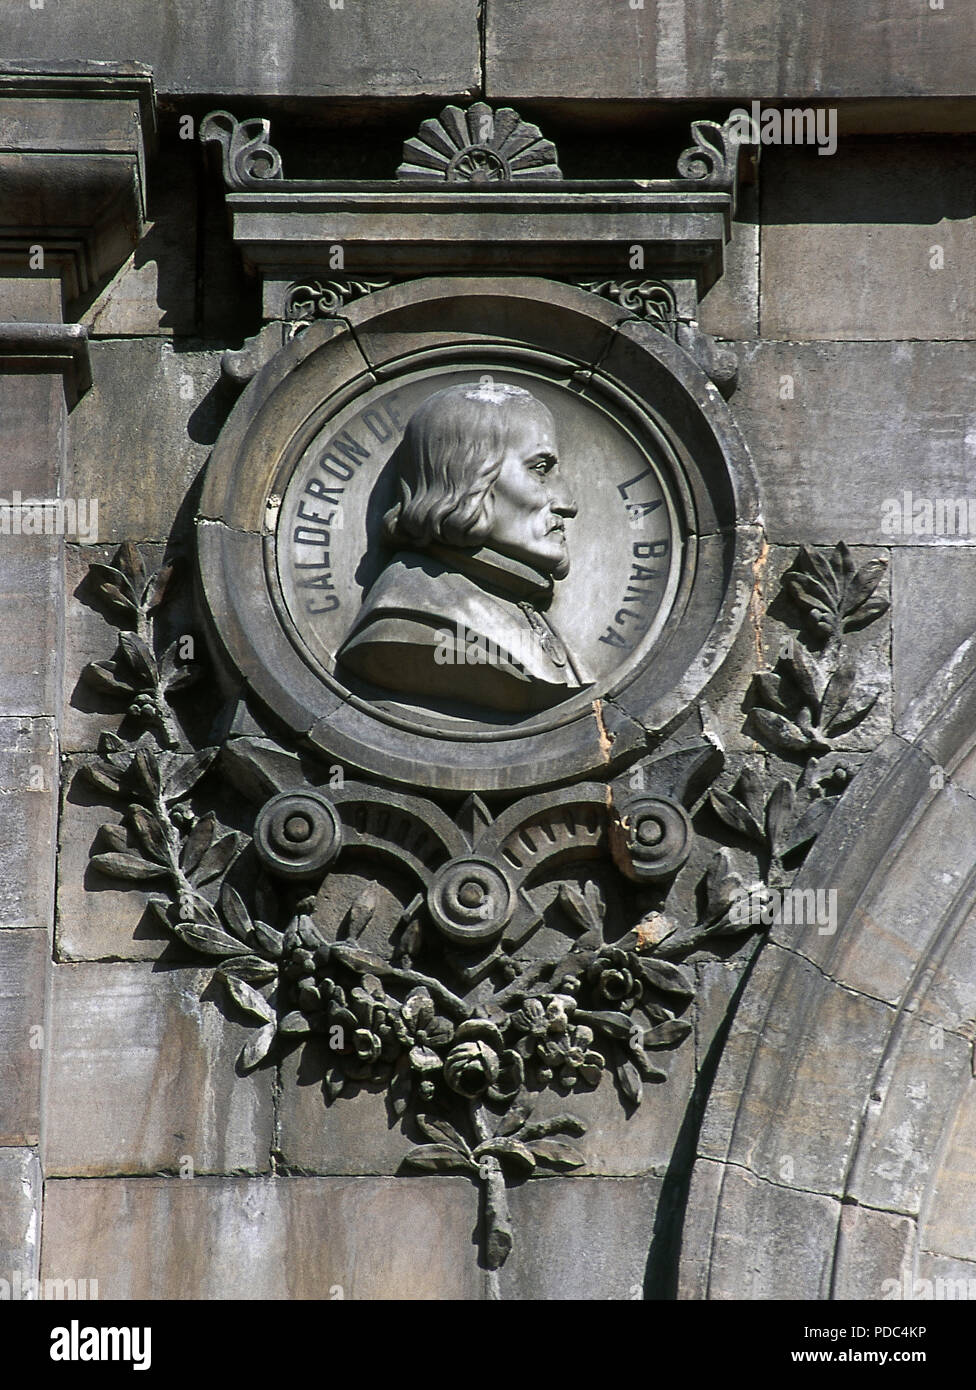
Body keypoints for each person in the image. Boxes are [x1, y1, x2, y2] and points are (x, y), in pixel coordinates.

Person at [336, 380, 591, 712]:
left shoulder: (517, 601)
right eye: (540, 469)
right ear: (466, 479)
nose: (567, 503)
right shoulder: (408, 621)